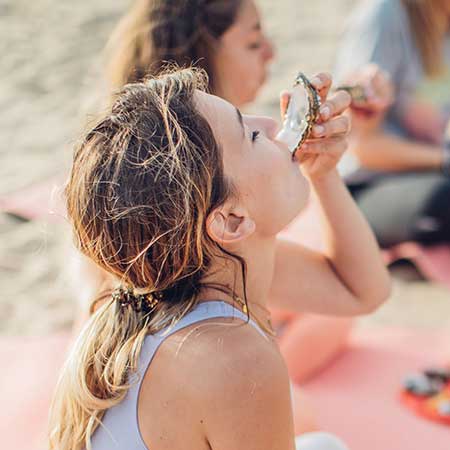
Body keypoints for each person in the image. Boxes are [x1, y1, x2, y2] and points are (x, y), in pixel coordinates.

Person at [48, 68, 390, 450]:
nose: (274, 126)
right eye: (252, 134)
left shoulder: (198, 272)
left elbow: (360, 290)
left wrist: (324, 173)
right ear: (230, 220)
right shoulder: (236, 359)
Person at [93, 0, 354, 386]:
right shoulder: (205, 253)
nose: (271, 51)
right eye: (252, 43)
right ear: (198, 58)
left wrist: (324, 173)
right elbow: (358, 291)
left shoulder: (205, 228)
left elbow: (358, 292)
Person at [334, 0, 450, 249]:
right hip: (365, 185)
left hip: (427, 170)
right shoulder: (385, 13)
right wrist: (444, 157)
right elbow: (361, 147)